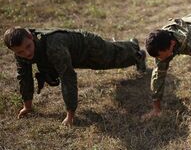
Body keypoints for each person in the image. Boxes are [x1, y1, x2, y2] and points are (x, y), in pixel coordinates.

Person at [4, 27, 147, 126]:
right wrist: (27, 107)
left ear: (31, 37)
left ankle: (135, 50)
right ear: (13, 51)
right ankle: (134, 50)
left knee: (113, 59)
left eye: (28, 46)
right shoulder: (21, 54)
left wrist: (70, 115)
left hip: (89, 46)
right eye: (20, 52)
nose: (27, 53)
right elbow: (24, 78)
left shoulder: (53, 47)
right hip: (72, 55)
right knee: (114, 57)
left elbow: (68, 78)